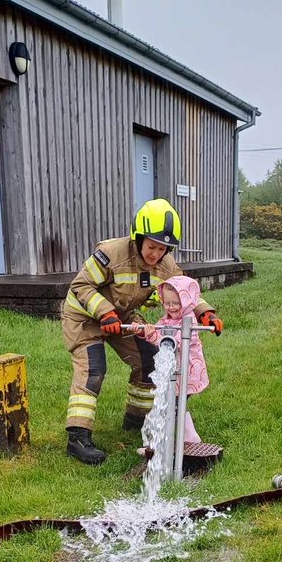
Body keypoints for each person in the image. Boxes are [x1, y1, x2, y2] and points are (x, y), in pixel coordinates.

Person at [62, 198, 223, 464]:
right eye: (151, 246)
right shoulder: (111, 252)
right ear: (138, 237)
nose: (156, 255)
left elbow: (185, 291)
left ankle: (135, 420)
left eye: (162, 249)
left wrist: (205, 311)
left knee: (150, 361)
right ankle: (78, 437)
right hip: (85, 318)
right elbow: (81, 286)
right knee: (93, 369)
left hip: (123, 319)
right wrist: (105, 312)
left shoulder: (166, 265)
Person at [130, 276, 213, 444]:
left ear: (187, 301)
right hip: (175, 372)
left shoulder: (188, 321)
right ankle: (176, 441)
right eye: (167, 303)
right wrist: (142, 331)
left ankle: (172, 442)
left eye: (176, 303)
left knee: (172, 405)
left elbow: (171, 342)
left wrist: (152, 334)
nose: (171, 307)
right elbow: (157, 330)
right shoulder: (169, 317)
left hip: (187, 372)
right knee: (172, 405)